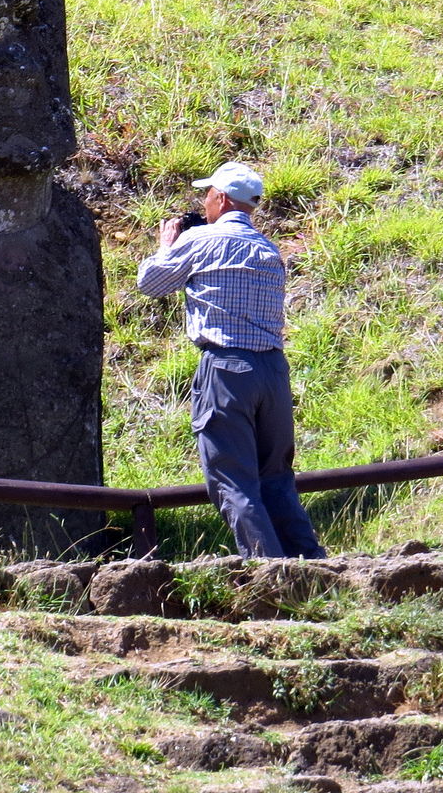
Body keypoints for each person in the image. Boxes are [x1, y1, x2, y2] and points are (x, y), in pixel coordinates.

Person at [136, 160, 323, 559]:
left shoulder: (201, 239)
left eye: (207, 194)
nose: (204, 202)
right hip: (273, 371)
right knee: (276, 480)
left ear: (220, 198)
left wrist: (166, 246)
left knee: (232, 480)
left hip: (226, 369)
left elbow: (150, 284)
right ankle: (313, 569)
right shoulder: (268, 248)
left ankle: (272, 577)